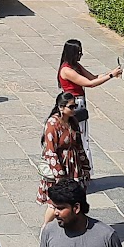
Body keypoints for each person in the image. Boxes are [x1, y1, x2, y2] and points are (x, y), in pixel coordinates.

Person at [56, 39, 122, 165]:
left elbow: (93, 77)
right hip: (74, 104)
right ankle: (84, 168)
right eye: (78, 52)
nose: (81, 54)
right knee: (81, 137)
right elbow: (89, 83)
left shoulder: (75, 66)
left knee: (82, 136)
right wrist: (111, 76)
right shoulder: (67, 70)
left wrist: (110, 72)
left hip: (79, 102)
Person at [37, 93, 91, 222]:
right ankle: (46, 229)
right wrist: (60, 177)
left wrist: (85, 166)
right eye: (71, 107)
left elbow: (79, 145)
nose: (74, 109)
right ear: (61, 107)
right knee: (55, 202)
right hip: (59, 168)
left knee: (74, 199)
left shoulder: (73, 121)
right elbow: (51, 152)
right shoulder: (52, 124)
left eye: (75, 106)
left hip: (74, 166)